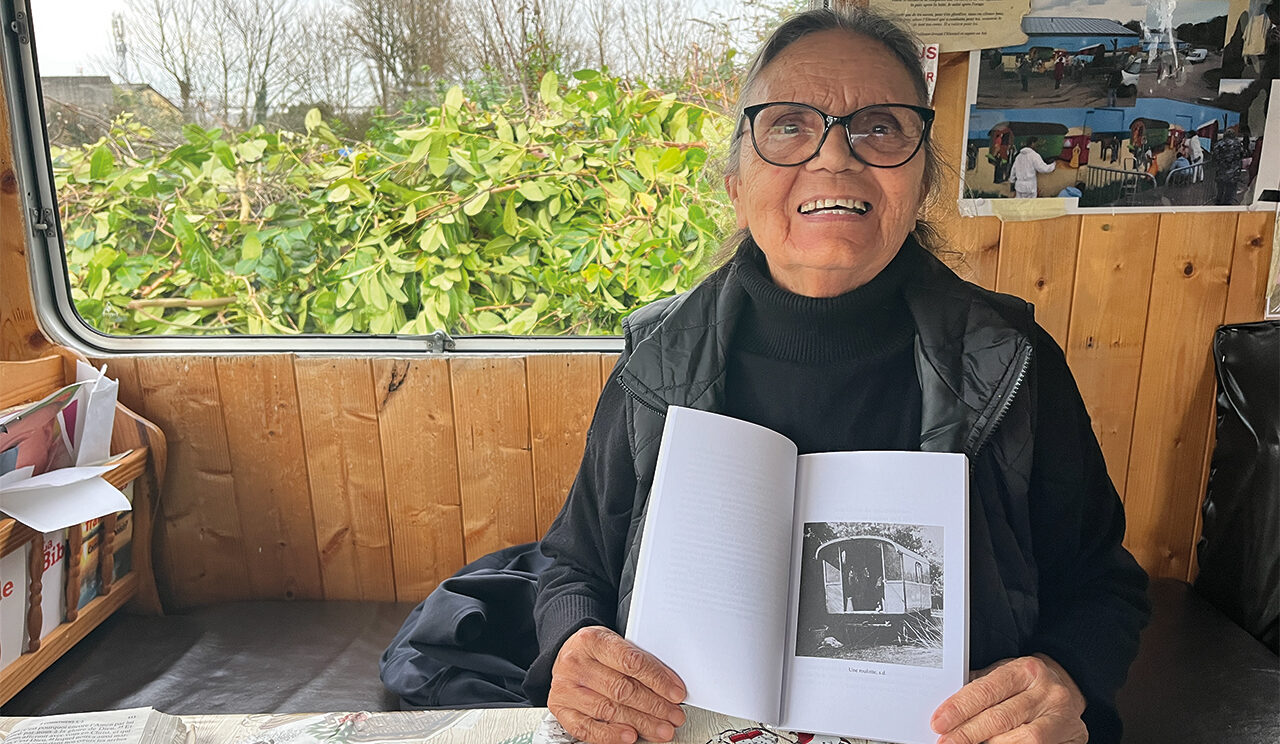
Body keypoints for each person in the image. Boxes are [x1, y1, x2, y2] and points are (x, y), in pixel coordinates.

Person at [526, 8, 1149, 744]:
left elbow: (1103, 584)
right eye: (789, 124)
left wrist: (1063, 678)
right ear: (735, 180)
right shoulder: (657, 357)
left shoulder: (1010, 358)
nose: (834, 157)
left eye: (880, 126)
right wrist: (574, 648)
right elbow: (570, 566)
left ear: (920, 183)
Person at [1212, 129, 1246, 205]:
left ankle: (1218, 202)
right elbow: (1242, 154)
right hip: (1233, 172)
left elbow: (1214, 157)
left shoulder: (1219, 144)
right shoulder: (1238, 144)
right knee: (1230, 190)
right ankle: (1227, 204)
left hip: (1221, 171)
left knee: (1220, 189)